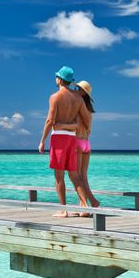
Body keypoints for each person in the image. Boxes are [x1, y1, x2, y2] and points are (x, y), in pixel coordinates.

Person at [38, 66, 98, 218]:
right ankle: (85, 206)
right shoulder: (78, 98)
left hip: (59, 137)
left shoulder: (55, 97)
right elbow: (85, 118)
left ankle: (63, 210)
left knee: (59, 177)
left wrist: (42, 141)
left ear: (59, 79)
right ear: (70, 81)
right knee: (74, 174)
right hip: (72, 138)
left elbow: (50, 120)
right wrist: (87, 130)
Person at [56, 81, 98, 207]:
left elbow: (75, 126)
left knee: (74, 175)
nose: (75, 89)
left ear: (82, 93)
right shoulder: (90, 111)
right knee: (83, 176)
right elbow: (88, 129)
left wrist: (60, 125)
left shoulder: (78, 107)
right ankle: (83, 207)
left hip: (78, 142)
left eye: (77, 88)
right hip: (86, 143)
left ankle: (91, 201)